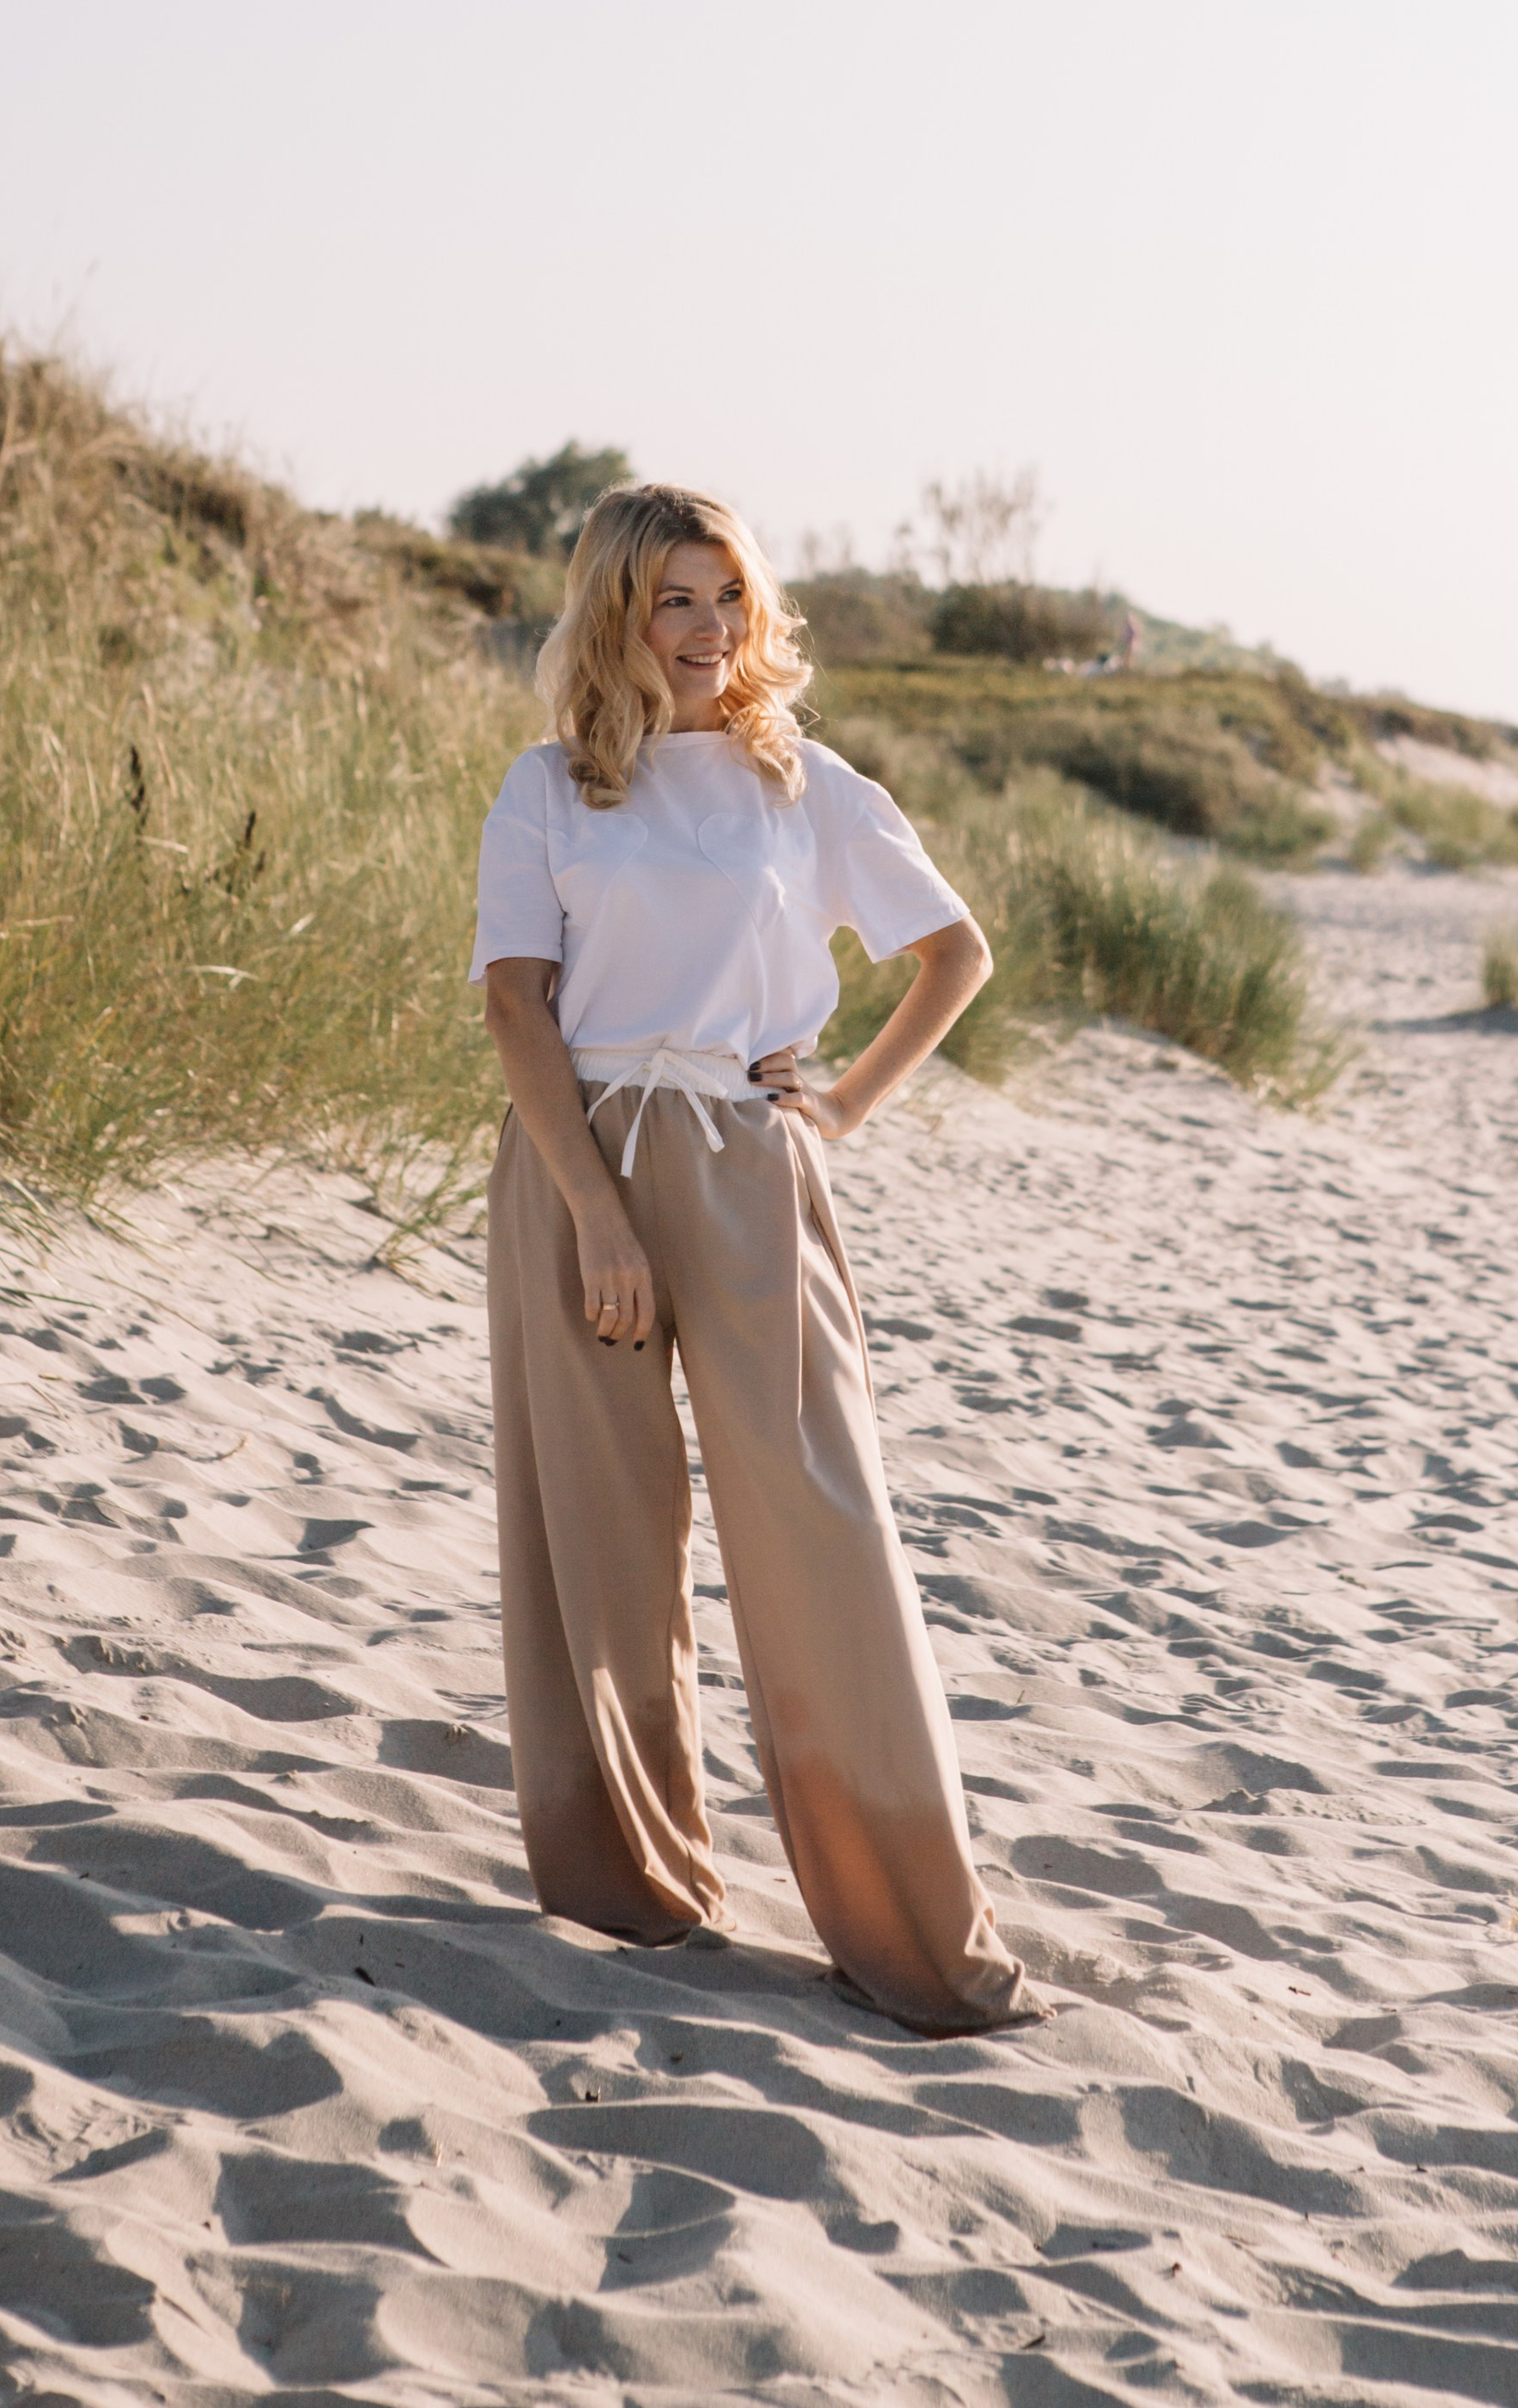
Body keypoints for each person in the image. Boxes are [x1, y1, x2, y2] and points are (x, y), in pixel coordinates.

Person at [470, 481, 1034, 2034]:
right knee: (597, 1525)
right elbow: (518, 1007)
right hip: (574, 1161)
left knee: (820, 1523)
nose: (710, 631)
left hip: (741, 1155)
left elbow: (954, 954)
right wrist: (591, 1211)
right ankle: (633, 1891)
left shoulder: (810, 786)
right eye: (673, 601)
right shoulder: (547, 789)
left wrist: (844, 1100)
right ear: (613, 617)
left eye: (728, 597)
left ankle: (915, 1926)